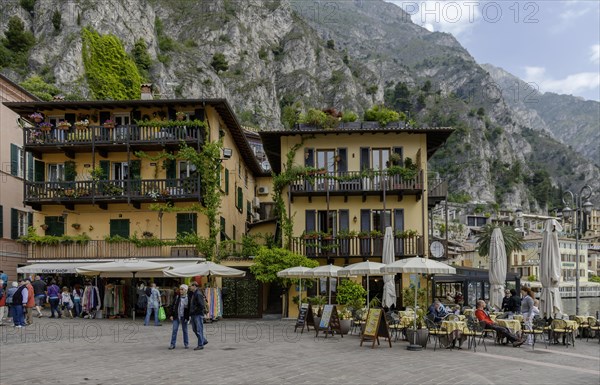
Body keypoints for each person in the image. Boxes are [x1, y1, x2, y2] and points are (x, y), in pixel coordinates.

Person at [168, 285, 190, 350]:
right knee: (174, 330)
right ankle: (172, 344)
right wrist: (171, 315)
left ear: (186, 290)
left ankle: (186, 344)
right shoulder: (177, 297)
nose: (180, 291)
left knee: (185, 330)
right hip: (176, 316)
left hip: (184, 316)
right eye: (180, 289)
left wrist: (189, 317)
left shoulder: (188, 298)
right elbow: (172, 306)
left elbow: (189, 308)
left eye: (182, 289)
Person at [189, 282, 207, 350]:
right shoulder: (194, 293)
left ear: (194, 286)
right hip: (194, 314)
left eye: (190, 286)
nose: (189, 287)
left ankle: (200, 345)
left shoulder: (198, 293)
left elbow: (201, 305)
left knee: (199, 329)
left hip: (198, 314)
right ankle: (203, 340)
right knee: (195, 329)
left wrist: (194, 310)